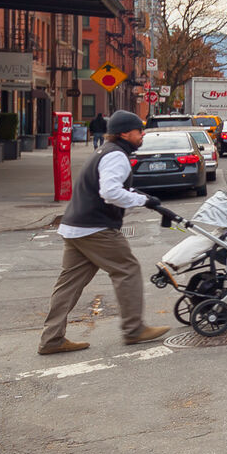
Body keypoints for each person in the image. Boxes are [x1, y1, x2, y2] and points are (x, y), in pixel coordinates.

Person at [38, 110, 177, 355]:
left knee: (69, 284)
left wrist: (141, 196)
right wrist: (142, 202)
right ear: (125, 133)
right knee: (127, 269)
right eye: (138, 131)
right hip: (96, 227)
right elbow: (110, 192)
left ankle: (51, 338)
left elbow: (110, 186)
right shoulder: (117, 156)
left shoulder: (103, 151)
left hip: (75, 225)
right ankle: (134, 329)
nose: (142, 134)